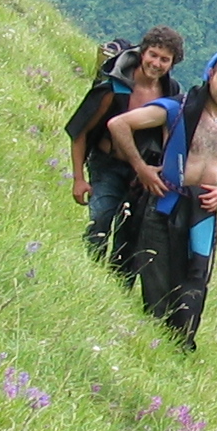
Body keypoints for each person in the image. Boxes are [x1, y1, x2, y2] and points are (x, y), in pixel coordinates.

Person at [108, 47, 217, 350]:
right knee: (157, 287)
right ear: (211, 75)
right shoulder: (177, 110)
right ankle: (152, 347)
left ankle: (179, 348)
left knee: (193, 288)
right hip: (164, 205)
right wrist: (142, 168)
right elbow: (119, 124)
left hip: (202, 215)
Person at [64, 26, 184, 273]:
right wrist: (78, 178)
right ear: (142, 53)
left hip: (142, 176)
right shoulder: (114, 88)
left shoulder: (171, 96)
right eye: (153, 55)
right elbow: (80, 132)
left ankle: (117, 286)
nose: (156, 63)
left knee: (129, 237)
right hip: (107, 165)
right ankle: (89, 274)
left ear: (173, 63)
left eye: (165, 59)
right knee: (100, 221)